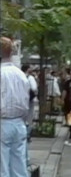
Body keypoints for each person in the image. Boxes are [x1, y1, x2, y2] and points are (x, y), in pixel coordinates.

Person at [1, 36, 30, 177]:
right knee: (19, 163)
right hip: (19, 122)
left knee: (2, 166)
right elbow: (26, 101)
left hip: (3, 122)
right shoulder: (21, 75)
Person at [21, 64, 38, 142]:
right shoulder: (30, 78)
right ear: (27, 69)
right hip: (29, 100)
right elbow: (34, 88)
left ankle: (21, 134)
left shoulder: (19, 76)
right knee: (29, 118)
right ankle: (27, 134)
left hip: (20, 100)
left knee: (21, 118)